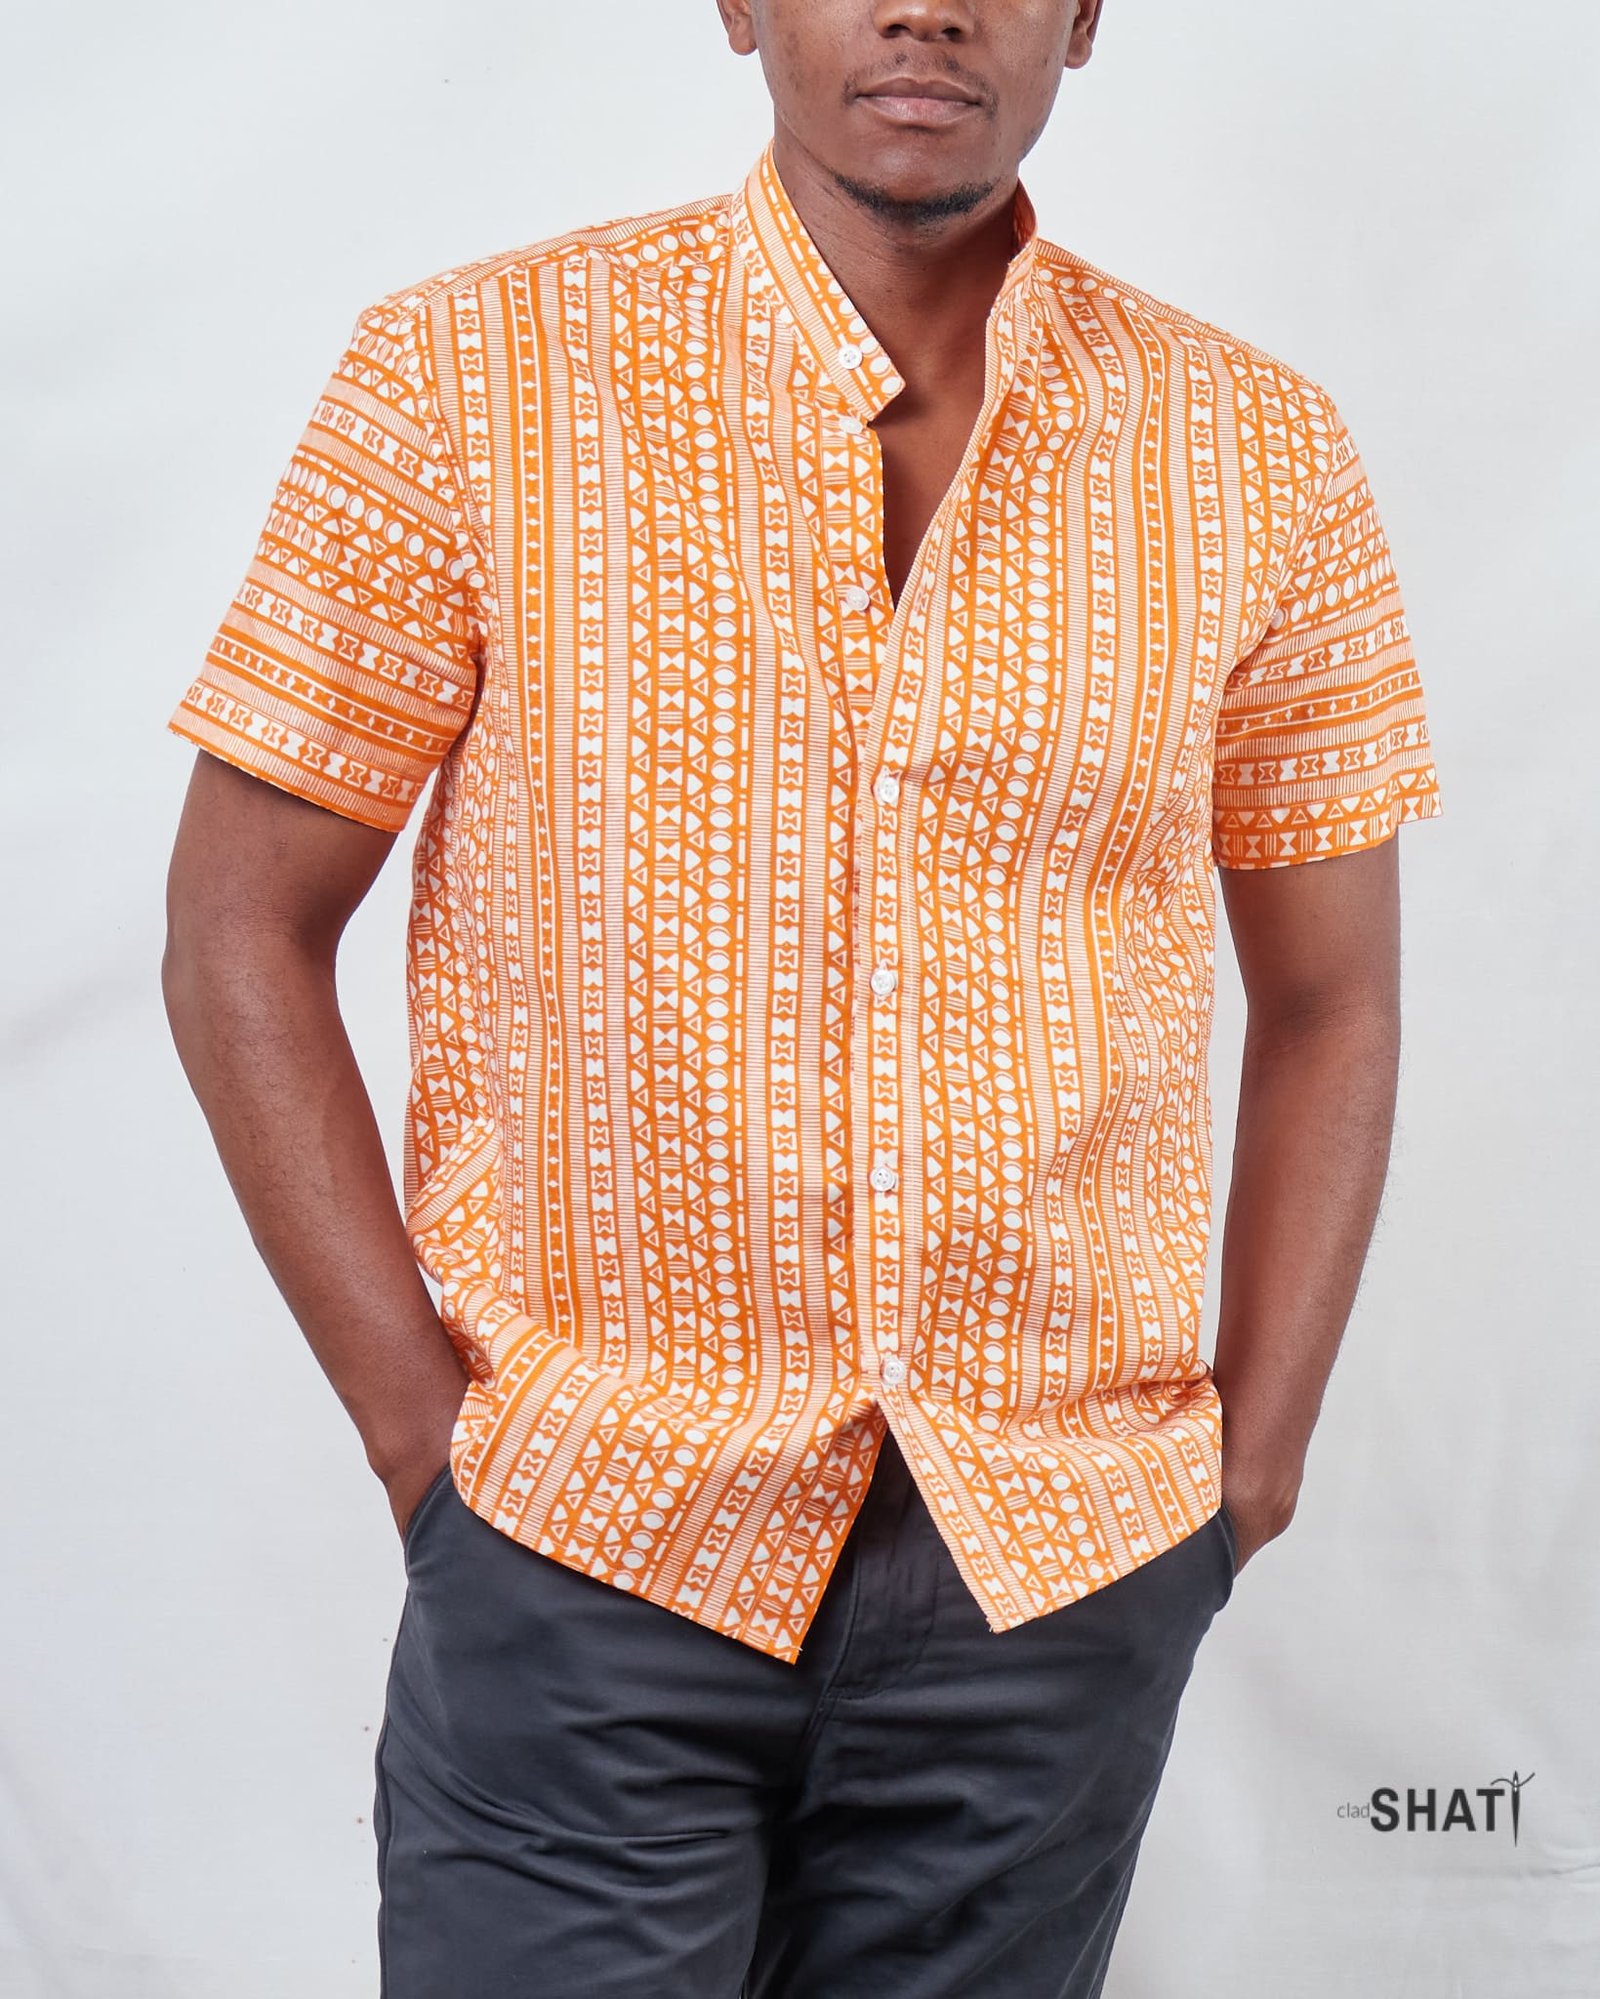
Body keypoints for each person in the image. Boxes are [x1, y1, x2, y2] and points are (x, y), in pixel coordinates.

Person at [160, 1, 1444, 1992]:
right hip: (588, 1535)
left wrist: (1243, 1466)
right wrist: (428, 1448)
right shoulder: (469, 375)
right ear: (740, 3)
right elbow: (238, 926)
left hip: (1055, 1570)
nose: (925, 8)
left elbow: (1332, 997)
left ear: (1084, 17)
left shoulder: (1253, 447)